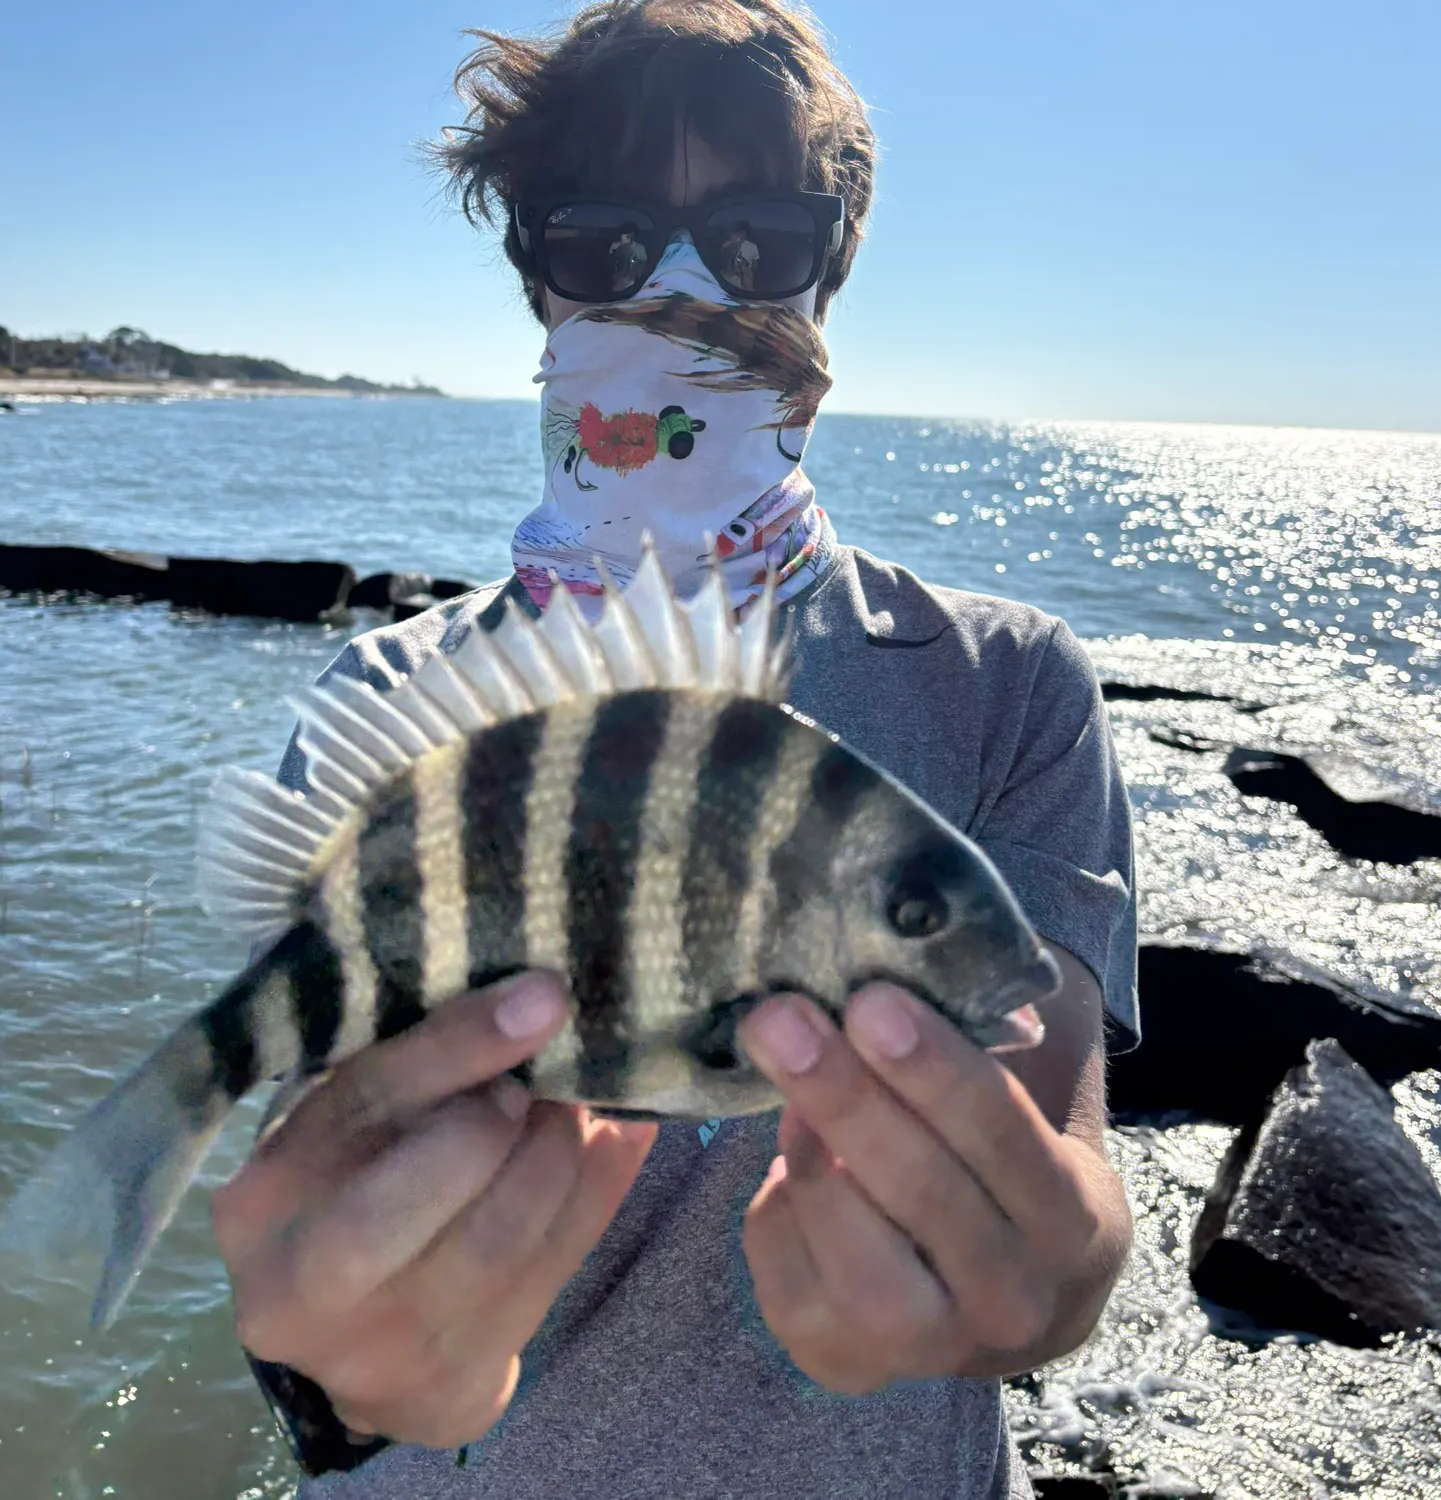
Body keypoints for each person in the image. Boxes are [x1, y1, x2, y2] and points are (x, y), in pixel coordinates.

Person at [212, 3, 1137, 1496]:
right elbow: (323, 1186)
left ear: (830, 267)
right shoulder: (394, 695)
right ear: (535, 279)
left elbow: (1052, 1137)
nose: (685, 296)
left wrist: (1046, 1278)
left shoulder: (1008, 685)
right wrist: (337, 1390)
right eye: (605, 244)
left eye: (757, 242)